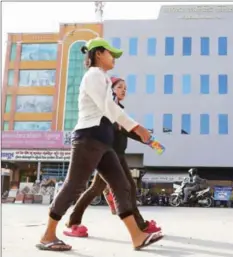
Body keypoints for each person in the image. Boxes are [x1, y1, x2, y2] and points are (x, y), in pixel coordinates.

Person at [36, 37, 163, 252]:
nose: (114, 58)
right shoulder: (94, 75)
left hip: (103, 143)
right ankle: (48, 235)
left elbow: (111, 113)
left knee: (122, 185)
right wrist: (137, 127)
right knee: (74, 186)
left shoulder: (102, 77)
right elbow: (108, 108)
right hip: (88, 138)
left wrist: (140, 134)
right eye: (110, 53)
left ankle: (137, 236)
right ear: (98, 54)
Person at [63, 77, 161, 237]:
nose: (124, 90)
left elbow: (126, 129)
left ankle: (73, 221)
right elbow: (126, 130)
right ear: (111, 89)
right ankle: (140, 226)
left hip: (117, 155)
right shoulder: (109, 109)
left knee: (97, 188)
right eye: (120, 87)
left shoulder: (118, 108)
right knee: (128, 187)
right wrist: (150, 141)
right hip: (109, 155)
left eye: (125, 88)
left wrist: (149, 140)